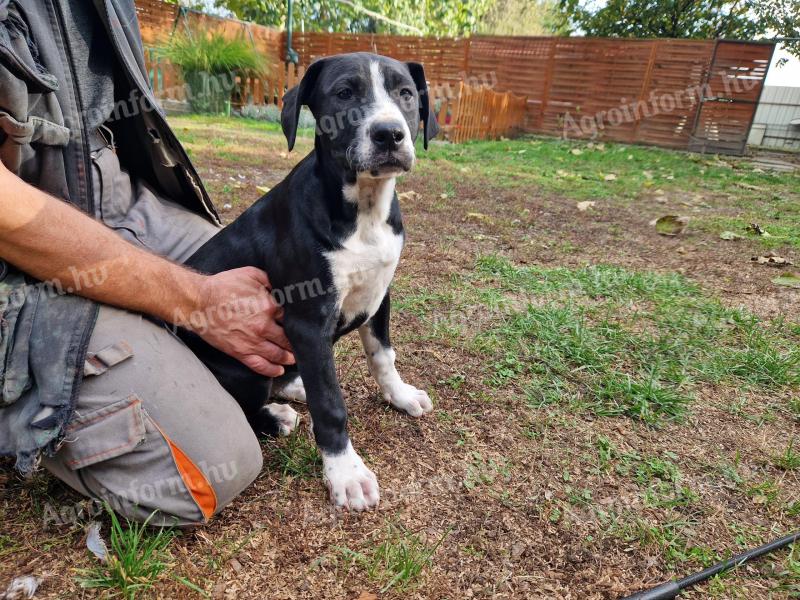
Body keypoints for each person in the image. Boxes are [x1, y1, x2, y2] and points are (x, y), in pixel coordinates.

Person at [0, 0, 294, 525]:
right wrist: (193, 298)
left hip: (118, 197)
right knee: (214, 468)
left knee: (280, 299)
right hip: (17, 252)